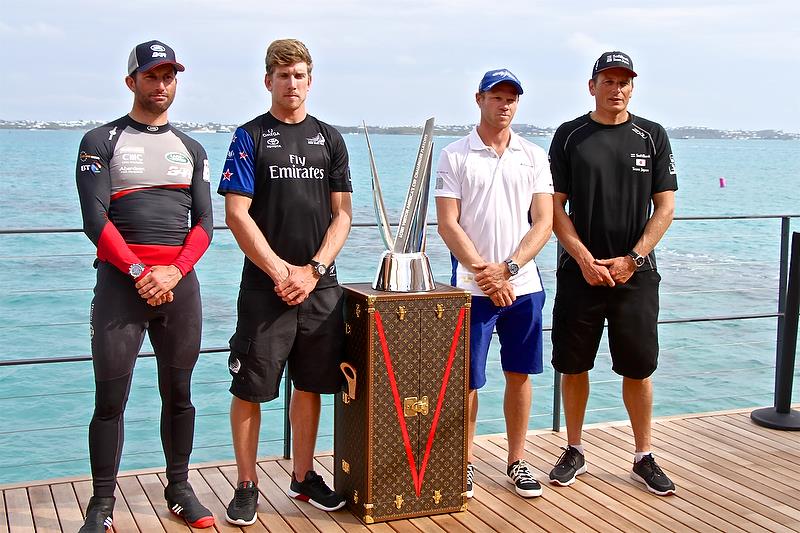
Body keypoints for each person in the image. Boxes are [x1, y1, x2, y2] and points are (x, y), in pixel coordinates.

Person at [75, 40, 215, 531]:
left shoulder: (192, 149)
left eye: (169, 76)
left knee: (179, 393)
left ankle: (179, 488)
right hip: (122, 287)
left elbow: (205, 224)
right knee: (109, 400)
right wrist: (139, 273)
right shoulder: (100, 141)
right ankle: (101, 505)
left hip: (179, 287)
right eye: (152, 76)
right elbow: (95, 219)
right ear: (131, 81)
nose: (161, 85)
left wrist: (174, 272)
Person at [217, 38, 353, 525]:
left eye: (299, 75)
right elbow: (236, 213)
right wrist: (280, 271)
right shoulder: (249, 136)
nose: (291, 83)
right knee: (250, 388)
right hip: (265, 288)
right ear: (267, 81)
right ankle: (246, 484)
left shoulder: (329, 139)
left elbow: (342, 215)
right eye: (282, 75)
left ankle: (302, 476)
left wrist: (313, 271)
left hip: (320, 286)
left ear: (310, 80)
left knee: (311, 386)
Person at [548, 51, 678, 496]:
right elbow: (554, 208)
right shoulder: (569, 136)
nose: (617, 88)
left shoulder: (652, 135)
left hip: (635, 274)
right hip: (579, 271)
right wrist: (583, 258)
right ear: (592, 86)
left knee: (638, 368)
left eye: (624, 81)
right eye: (608, 80)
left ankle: (644, 455)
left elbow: (665, 208)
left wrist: (633, 259)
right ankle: (574, 448)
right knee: (573, 363)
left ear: (633, 87)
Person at [435, 69, 554, 499]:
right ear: (479, 99)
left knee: (520, 374)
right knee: (467, 379)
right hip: (471, 288)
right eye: (497, 96)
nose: (505, 104)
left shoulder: (534, 155)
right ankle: (463, 462)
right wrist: (486, 272)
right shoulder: (453, 154)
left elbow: (544, 222)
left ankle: (517, 461)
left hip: (523, 286)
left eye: (512, 98)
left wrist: (509, 269)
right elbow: (448, 223)